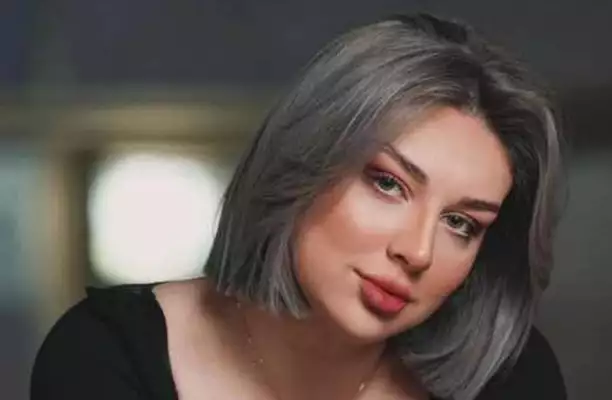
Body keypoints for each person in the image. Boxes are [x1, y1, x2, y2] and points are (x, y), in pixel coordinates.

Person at [30, 12, 567, 400]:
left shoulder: (510, 379)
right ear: (303, 164)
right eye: (388, 184)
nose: (417, 251)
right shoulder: (104, 356)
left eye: (460, 223)